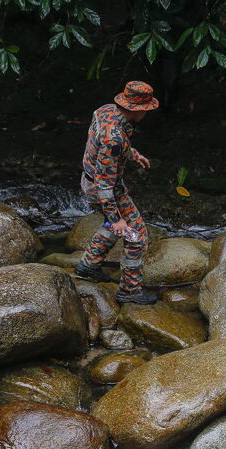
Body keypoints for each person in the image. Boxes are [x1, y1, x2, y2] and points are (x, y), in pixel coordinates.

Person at [75, 80, 159, 304]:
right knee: (136, 235)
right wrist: (116, 218)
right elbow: (105, 185)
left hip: (89, 180)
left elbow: (108, 143)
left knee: (113, 225)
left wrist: (133, 153)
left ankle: (89, 264)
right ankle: (129, 291)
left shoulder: (106, 110)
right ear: (138, 110)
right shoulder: (114, 139)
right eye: (147, 109)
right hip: (103, 189)